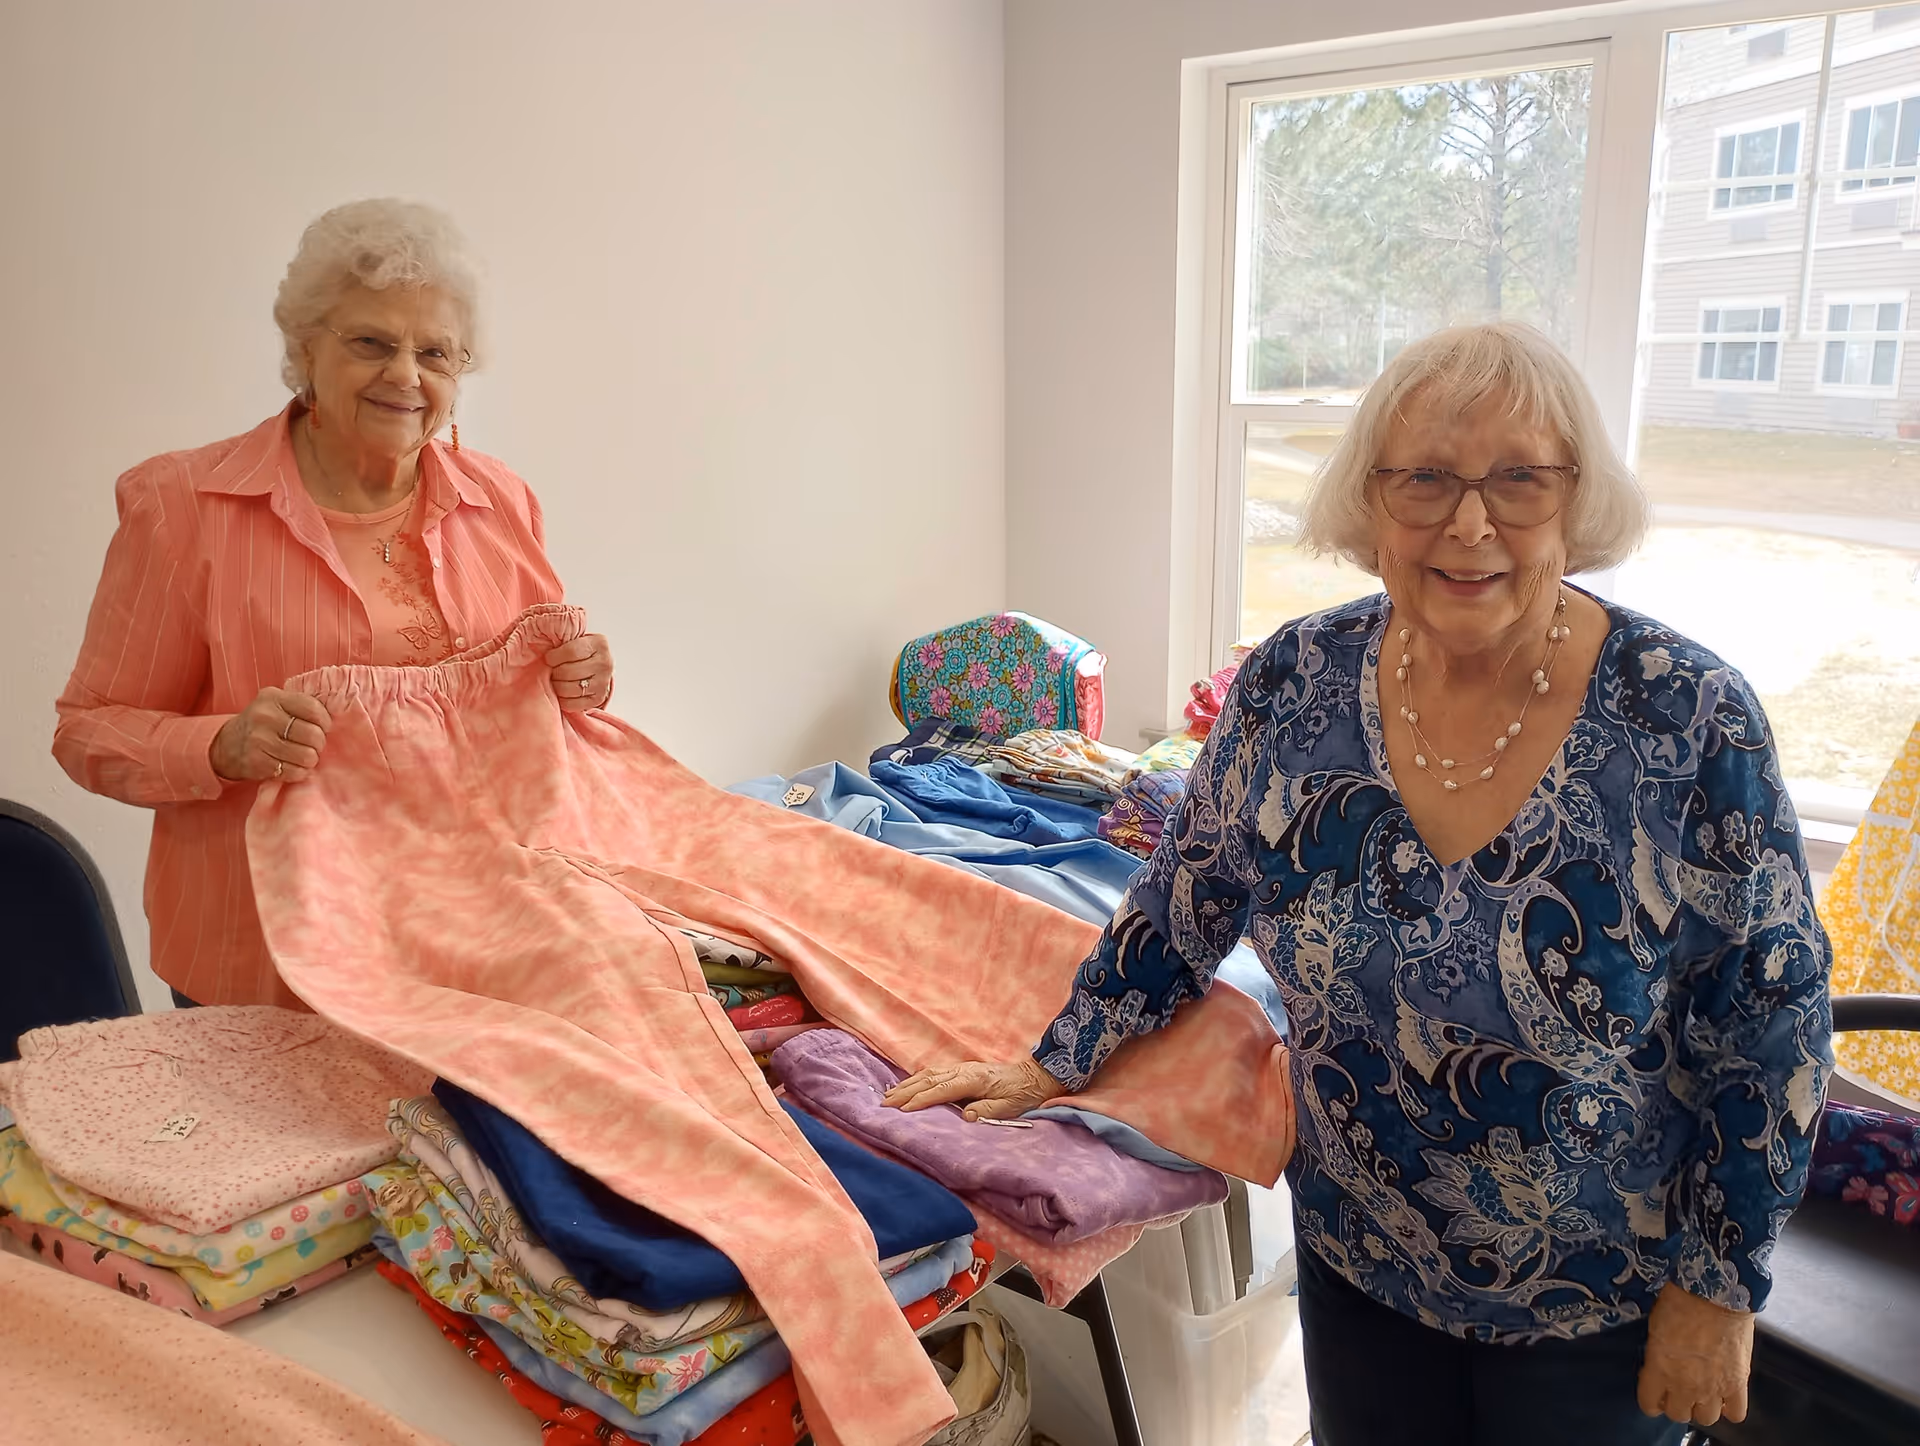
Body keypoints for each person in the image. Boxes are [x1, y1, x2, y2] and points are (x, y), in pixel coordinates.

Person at [887, 322, 1833, 1444]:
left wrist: (1719, 1291)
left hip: (1601, 1309)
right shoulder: (1295, 682)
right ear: (1370, 501)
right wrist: (1057, 1059)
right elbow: (1187, 894)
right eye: (1426, 478)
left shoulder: (1687, 716)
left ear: (1574, 501)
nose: (1470, 524)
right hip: (1361, 1264)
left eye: (1519, 480)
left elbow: (1771, 1019)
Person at [54, 199, 614, 1011]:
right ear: (304, 349)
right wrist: (222, 745)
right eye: (371, 343)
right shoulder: (182, 506)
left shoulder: (504, 501)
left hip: (469, 957)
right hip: (265, 969)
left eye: (436, 353)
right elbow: (87, 729)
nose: (406, 376)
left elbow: (532, 730)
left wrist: (582, 684)